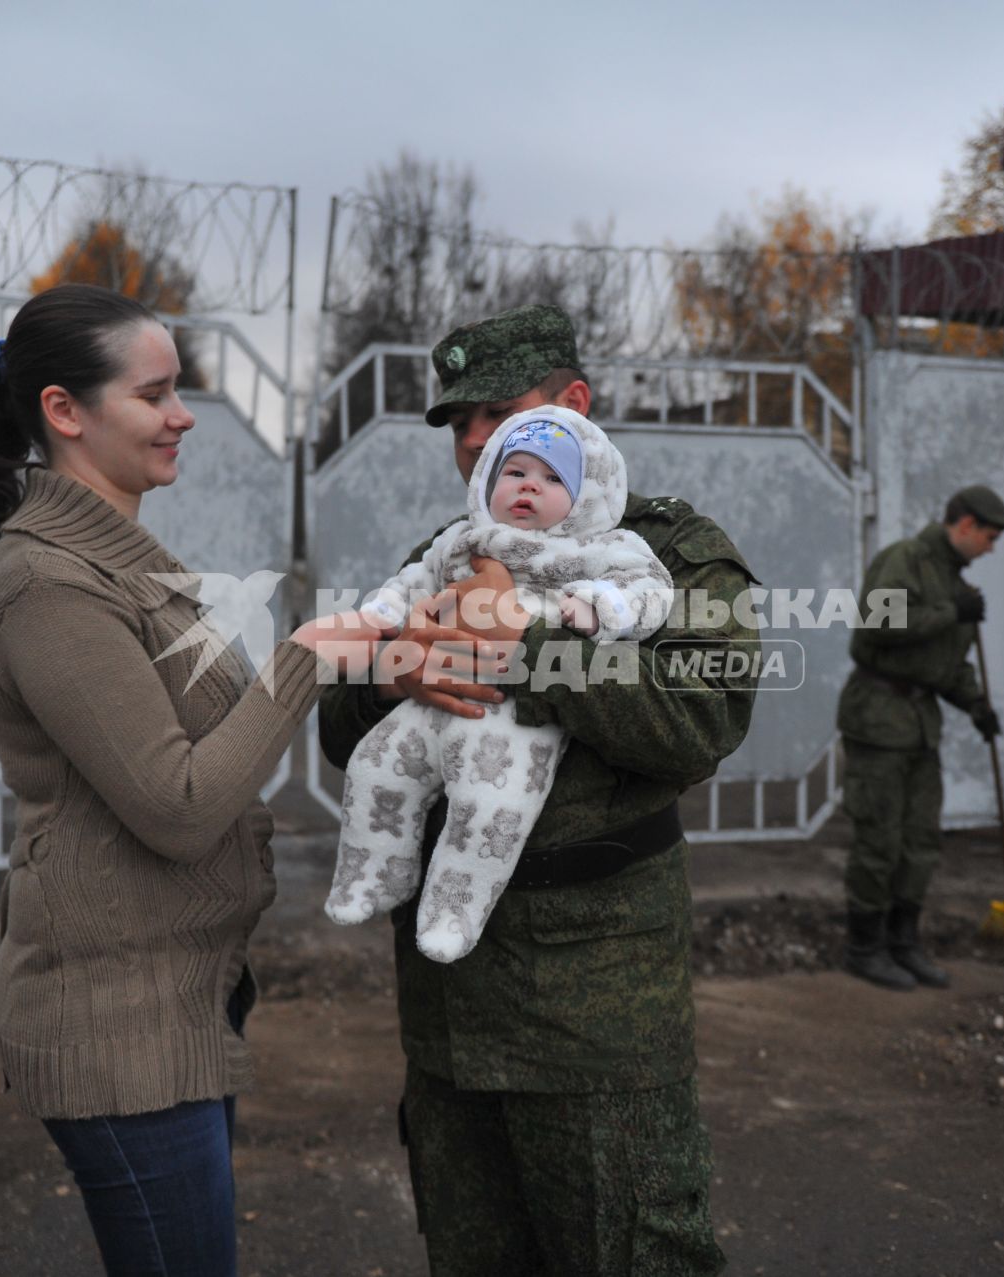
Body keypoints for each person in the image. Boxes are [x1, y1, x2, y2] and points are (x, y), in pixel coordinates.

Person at [318, 302, 758, 1276]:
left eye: (496, 413)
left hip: (594, 1009)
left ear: (574, 406)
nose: (473, 439)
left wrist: (531, 647)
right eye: (457, 424)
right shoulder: (454, 547)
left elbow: (706, 719)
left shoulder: (668, 553)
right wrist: (391, 669)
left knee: (630, 1249)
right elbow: (339, 729)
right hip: (448, 1005)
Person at [0, 283, 381, 1276]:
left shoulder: (117, 564)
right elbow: (178, 805)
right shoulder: (51, 587)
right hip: (117, 1031)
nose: (183, 414)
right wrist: (306, 658)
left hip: (176, 999)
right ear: (65, 410)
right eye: (155, 395)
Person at [325, 406, 674, 962]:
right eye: (515, 473)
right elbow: (411, 582)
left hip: (513, 720)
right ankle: (371, 879)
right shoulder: (462, 540)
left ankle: (452, 915)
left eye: (553, 478)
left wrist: (599, 610)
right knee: (376, 767)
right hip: (428, 704)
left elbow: (648, 589)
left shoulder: (603, 546)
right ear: (491, 477)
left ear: (585, 496)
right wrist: (384, 626)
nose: (529, 487)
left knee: (489, 811)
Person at [835, 485, 1004, 991]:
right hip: (879, 718)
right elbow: (875, 622)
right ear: (965, 526)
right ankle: (863, 948)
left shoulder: (953, 579)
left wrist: (976, 704)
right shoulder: (906, 559)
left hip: (919, 724)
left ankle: (904, 943)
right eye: (990, 537)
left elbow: (945, 664)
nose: (991, 548)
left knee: (919, 841)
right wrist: (948, 613)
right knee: (879, 839)